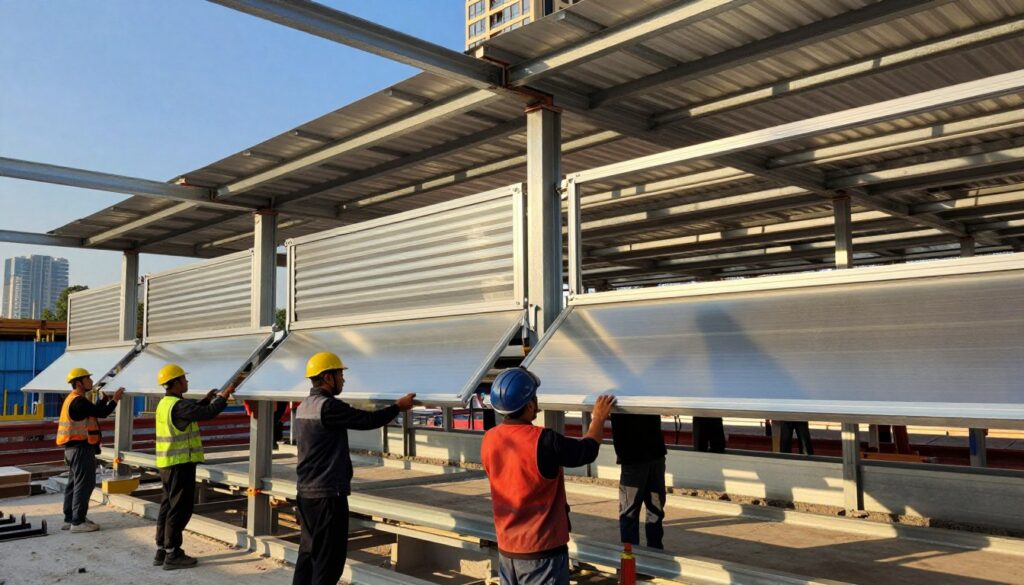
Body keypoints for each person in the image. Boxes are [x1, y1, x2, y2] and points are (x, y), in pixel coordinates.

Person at [481, 367, 616, 585]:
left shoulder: (489, 439)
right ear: (530, 404)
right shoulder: (543, 441)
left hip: (508, 550)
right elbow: (587, 450)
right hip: (542, 553)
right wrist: (598, 418)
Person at [293, 351, 415, 585]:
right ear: (328, 377)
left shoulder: (304, 406)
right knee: (328, 563)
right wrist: (397, 407)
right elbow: (367, 420)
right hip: (327, 495)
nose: (344, 379)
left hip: (306, 494)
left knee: (308, 555)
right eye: (340, 374)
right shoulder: (328, 407)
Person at [153, 363, 236, 570]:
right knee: (179, 509)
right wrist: (223, 397)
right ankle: (173, 553)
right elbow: (207, 413)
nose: (186, 381)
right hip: (180, 464)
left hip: (167, 464)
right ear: (175, 383)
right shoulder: (179, 406)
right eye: (183, 379)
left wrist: (207, 399)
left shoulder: (167, 404)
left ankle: (162, 550)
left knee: (167, 506)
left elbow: (194, 411)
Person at [57, 367, 125, 532]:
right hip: (81, 449)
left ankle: (71, 518)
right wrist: (115, 400)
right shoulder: (79, 401)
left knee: (74, 484)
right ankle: (78, 522)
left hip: (72, 449)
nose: (91, 382)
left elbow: (93, 412)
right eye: (88, 379)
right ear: (79, 383)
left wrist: (103, 401)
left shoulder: (73, 399)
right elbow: (101, 413)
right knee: (84, 484)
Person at [610, 413, 667, 549]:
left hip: (647, 454)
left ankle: (647, 555)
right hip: (640, 454)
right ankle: (633, 558)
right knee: (636, 511)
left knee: (652, 509)